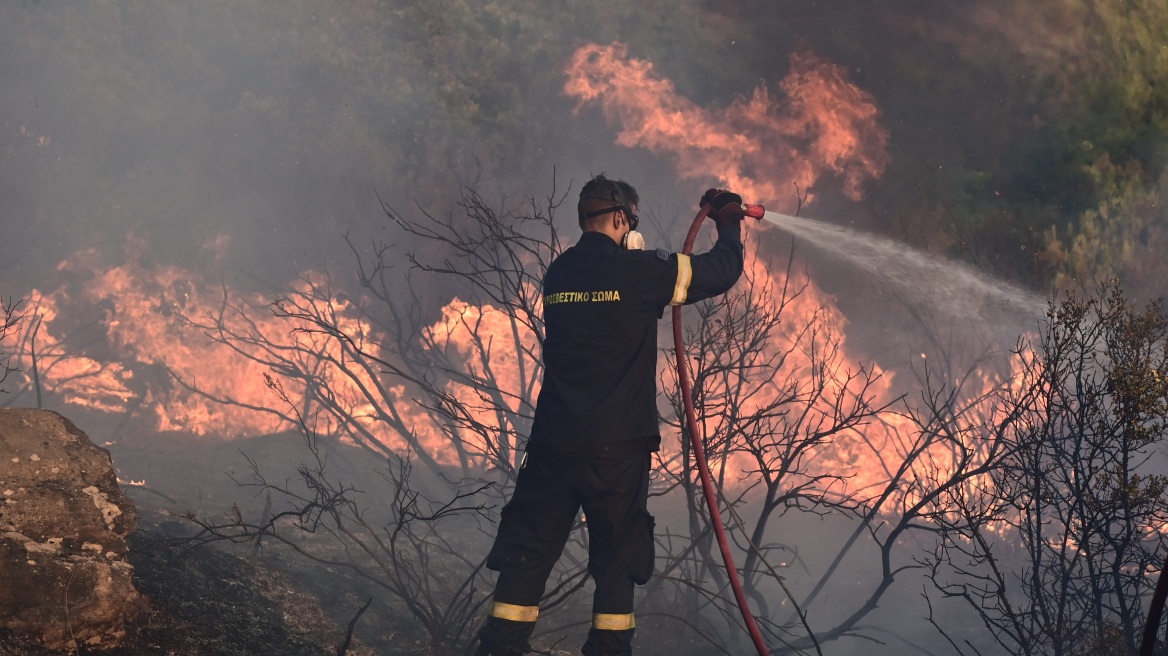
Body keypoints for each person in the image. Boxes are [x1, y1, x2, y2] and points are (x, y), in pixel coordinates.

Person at [474, 174, 747, 656]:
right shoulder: (639, 271)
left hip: (553, 447)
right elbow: (721, 272)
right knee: (617, 567)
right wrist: (728, 222)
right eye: (631, 221)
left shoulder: (559, 273)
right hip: (616, 454)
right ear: (622, 217)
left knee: (526, 559)